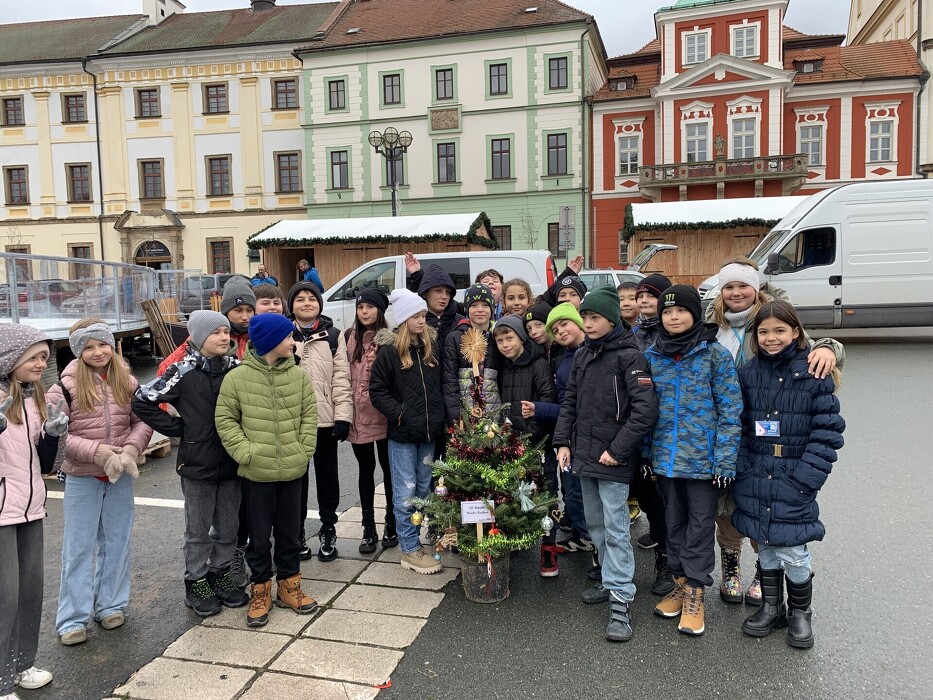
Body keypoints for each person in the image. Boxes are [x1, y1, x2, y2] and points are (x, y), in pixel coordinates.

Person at [706, 258, 844, 606]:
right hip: (724, 431)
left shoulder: (773, 318)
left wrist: (830, 346)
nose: (736, 292)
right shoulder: (711, 322)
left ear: (756, 288)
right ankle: (731, 569)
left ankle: (764, 578)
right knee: (727, 510)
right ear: (721, 291)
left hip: (772, 430)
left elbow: (811, 351)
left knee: (762, 507)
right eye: (729, 286)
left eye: (743, 285)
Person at [731, 300, 845, 649]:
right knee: (765, 544)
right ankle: (771, 606)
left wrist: (805, 479)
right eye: (763, 331)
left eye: (779, 330)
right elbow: (741, 426)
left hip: (794, 475)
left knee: (793, 549)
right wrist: (743, 468)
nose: (770, 338)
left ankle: (800, 612)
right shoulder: (748, 373)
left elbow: (826, 433)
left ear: (795, 332)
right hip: (757, 471)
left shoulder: (813, 373)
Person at [553, 286, 659, 643]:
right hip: (584, 456)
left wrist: (617, 450)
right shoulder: (583, 354)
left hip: (611, 459)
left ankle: (621, 597)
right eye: (585, 317)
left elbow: (645, 411)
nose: (588, 323)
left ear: (611, 318)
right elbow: (570, 403)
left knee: (616, 528)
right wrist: (563, 442)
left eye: (594, 317)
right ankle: (609, 578)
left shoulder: (630, 357)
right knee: (596, 525)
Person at [133, 311, 248, 618]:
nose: (224, 337)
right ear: (199, 337)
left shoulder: (237, 369)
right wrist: (177, 428)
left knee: (229, 524)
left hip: (232, 461)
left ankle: (221, 573)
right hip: (197, 464)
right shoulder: (181, 371)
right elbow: (142, 399)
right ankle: (195, 580)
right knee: (197, 529)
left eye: (226, 332)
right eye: (216, 333)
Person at [644, 285, 742, 637]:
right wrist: (645, 453)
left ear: (695, 315)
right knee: (674, 522)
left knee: (700, 525)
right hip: (665, 461)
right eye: (667, 313)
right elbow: (646, 409)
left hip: (703, 462)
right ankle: (681, 583)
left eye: (681, 311)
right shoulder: (653, 356)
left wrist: (725, 461)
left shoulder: (714, 355)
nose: (673, 317)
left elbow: (731, 411)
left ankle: (696, 593)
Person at [49, 321, 152, 647]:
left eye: (103, 345)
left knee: (117, 543)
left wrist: (132, 449)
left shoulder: (128, 380)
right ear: (78, 351)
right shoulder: (64, 387)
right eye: (89, 347)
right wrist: (98, 451)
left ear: (111, 345)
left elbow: (143, 420)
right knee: (78, 550)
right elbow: (58, 434)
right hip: (83, 478)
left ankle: (110, 604)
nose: (97, 352)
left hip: (119, 477)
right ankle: (72, 618)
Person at [215, 313, 319, 627]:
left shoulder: (298, 376)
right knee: (258, 538)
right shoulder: (237, 378)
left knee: (290, 533)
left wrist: (302, 452)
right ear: (272, 341)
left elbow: (309, 417)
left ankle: (289, 587)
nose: (293, 341)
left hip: (292, 471)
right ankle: (260, 589)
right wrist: (245, 453)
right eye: (288, 337)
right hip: (255, 475)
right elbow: (226, 420)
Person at [0, 324, 66, 697]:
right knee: (4, 597)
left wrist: (53, 435)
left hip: (31, 509)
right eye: (34, 357)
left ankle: (23, 665)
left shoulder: (33, 399)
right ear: (10, 359)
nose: (42, 364)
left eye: (44, 356)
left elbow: (42, 463)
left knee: (30, 591)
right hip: (2, 514)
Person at [369, 289, 445, 575]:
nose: (422, 320)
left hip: (428, 434)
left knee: (424, 488)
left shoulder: (429, 349)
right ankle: (409, 549)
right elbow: (377, 392)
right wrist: (401, 413)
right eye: (416, 315)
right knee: (406, 492)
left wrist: (437, 418)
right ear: (403, 320)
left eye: (424, 315)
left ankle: (416, 541)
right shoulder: (389, 353)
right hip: (402, 435)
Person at [288, 281, 352, 562]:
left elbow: (341, 379)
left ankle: (328, 528)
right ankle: (296, 532)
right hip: (293, 423)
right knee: (296, 482)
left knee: (328, 479)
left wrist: (343, 417)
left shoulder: (333, 336)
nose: (306, 303)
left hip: (325, 422)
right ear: (291, 305)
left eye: (311, 299)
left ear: (319, 304)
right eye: (299, 299)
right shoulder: (284, 335)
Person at [492, 314, 558, 576]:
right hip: (509, 442)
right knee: (515, 494)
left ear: (521, 337)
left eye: (509, 338)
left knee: (545, 495)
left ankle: (549, 550)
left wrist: (533, 429)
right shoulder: (503, 366)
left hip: (537, 441)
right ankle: (518, 539)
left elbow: (548, 400)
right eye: (500, 340)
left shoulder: (539, 364)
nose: (505, 345)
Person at [345, 288, 398, 553]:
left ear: (380, 309)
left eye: (370, 307)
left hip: (385, 415)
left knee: (390, 472)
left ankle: (391, 521)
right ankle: (368, 526)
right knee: (365, 471)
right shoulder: (348, 337)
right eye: (360, 307)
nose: (364, 312)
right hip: (358, 417)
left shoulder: (390, 339)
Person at [542, 304, 593, 564]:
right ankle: (585, 535)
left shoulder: (596, 351)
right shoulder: (564, 364)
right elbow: (566, 407)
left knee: (587, 492)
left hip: (594, 438)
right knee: (571, 489)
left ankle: (591, 537)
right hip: (571, 437)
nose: (560, 331)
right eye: (555, 328)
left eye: (565, 324)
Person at [158, 277, 255, 374]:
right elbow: (165, 370)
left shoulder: (260, 333)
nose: (245, 316)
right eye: (238, 310)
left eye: (249, 310)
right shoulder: (207, 331)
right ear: (226, 311)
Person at [443, 284, 501, 425]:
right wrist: (456, 417)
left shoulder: (498, 336)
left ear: (492, 309)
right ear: (467, 309)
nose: (480, 310)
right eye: (474, 305)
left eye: (485, 305)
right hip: (465, 416)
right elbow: (449, 381)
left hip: (494, 415)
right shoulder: (455, 338)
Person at [632, 273, 671, 352]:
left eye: (651, 296)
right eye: (640, 296)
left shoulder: (670, 330)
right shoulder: (634, 332)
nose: (644, 300)